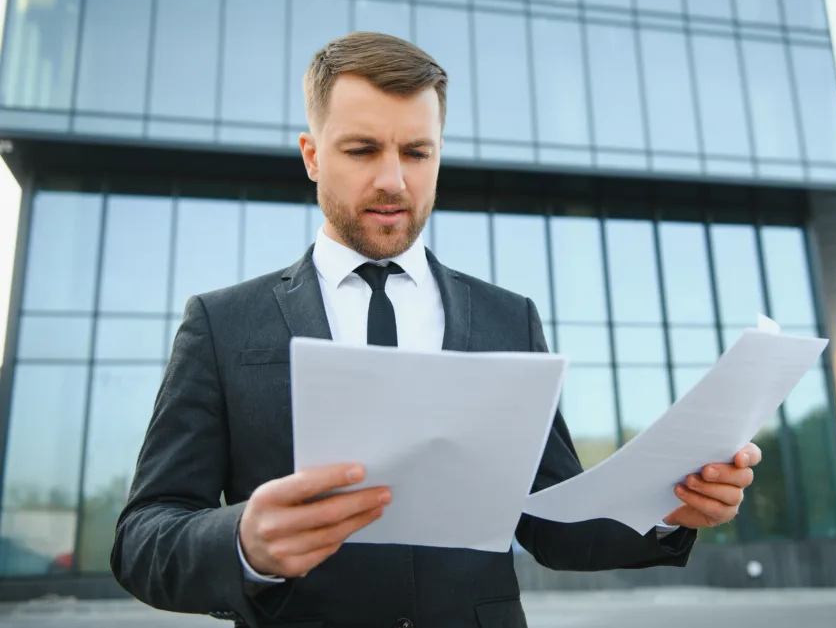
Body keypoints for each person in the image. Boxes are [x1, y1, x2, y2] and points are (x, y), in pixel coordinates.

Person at [111, 32, 763, 628]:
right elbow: (143, 535)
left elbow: (555, 526)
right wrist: (242, 542)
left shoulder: (510, 319)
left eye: (416, 152)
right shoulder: (222, 325)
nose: (393, 179)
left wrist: (669, 508)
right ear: (312, 155)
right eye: (362, 149)